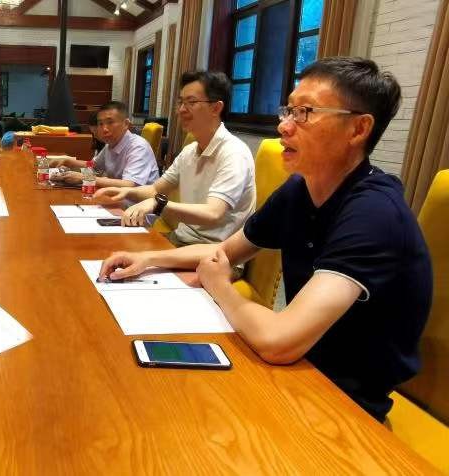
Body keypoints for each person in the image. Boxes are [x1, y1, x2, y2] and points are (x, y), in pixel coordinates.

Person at [98, 57, 432, 422]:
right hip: (299, 369)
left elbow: (278, 342)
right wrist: (149, 260)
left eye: (305, 113)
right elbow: (225, 251)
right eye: (288, 110)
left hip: (342, 401)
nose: (284, 126)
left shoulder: (374, 213)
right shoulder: (300, 189)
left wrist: (218, 285)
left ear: (358, 128)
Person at [95, 71, 255, 247]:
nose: (181, 110)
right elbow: (155, 189)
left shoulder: (234, 152)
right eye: (180, 102)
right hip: (182, 239)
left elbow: (213, 213)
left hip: (216, 251)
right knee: (110, 246)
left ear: (216, 108)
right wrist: (126, 192)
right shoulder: (189, 151)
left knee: (123, 255)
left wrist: (157, 204)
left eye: (191, 102)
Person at [49, 101, 159, 188]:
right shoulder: (110, 144)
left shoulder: (138, 147)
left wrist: (84, 177)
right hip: (115, 199)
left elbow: (129, 185)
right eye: (100, 124)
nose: (104, 129)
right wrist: (68, 161)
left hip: (137, 207)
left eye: (110, 122)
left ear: (126, 124)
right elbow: (94, 166)